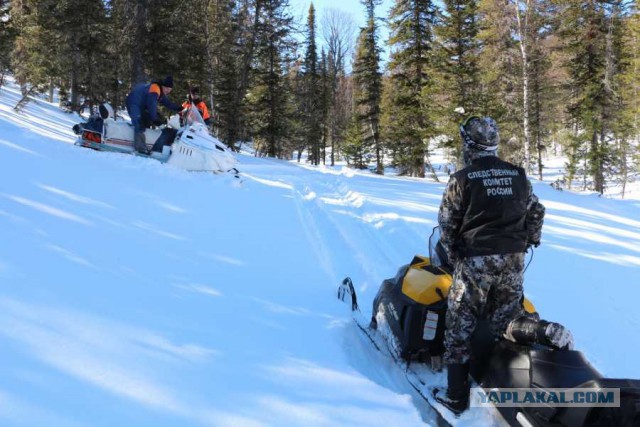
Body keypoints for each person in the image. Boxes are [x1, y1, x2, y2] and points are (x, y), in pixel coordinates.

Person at [433, 116, 571, 415]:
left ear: (468, 143)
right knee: (506, 317)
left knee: (459, 325)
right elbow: (536, 211)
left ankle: (456, 397)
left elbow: (446, 224)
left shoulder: (462, 178)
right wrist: (530, 239)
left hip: (476, 259)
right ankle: (542, 331)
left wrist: (455, 252)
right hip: (513, 257)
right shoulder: (518, 174)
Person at [126, 76, 182, 154]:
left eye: (170, 90)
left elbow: (167, 103)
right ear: (163, 86)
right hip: (133, 102)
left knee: (149, 119)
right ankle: (140, 148)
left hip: (140, 104)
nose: (168, 91)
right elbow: (151, 105)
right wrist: (155, 119)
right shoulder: (155, 89)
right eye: (167, 88)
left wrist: (178, 108)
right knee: (139, 122)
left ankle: (146, 141)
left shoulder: (160, 91)